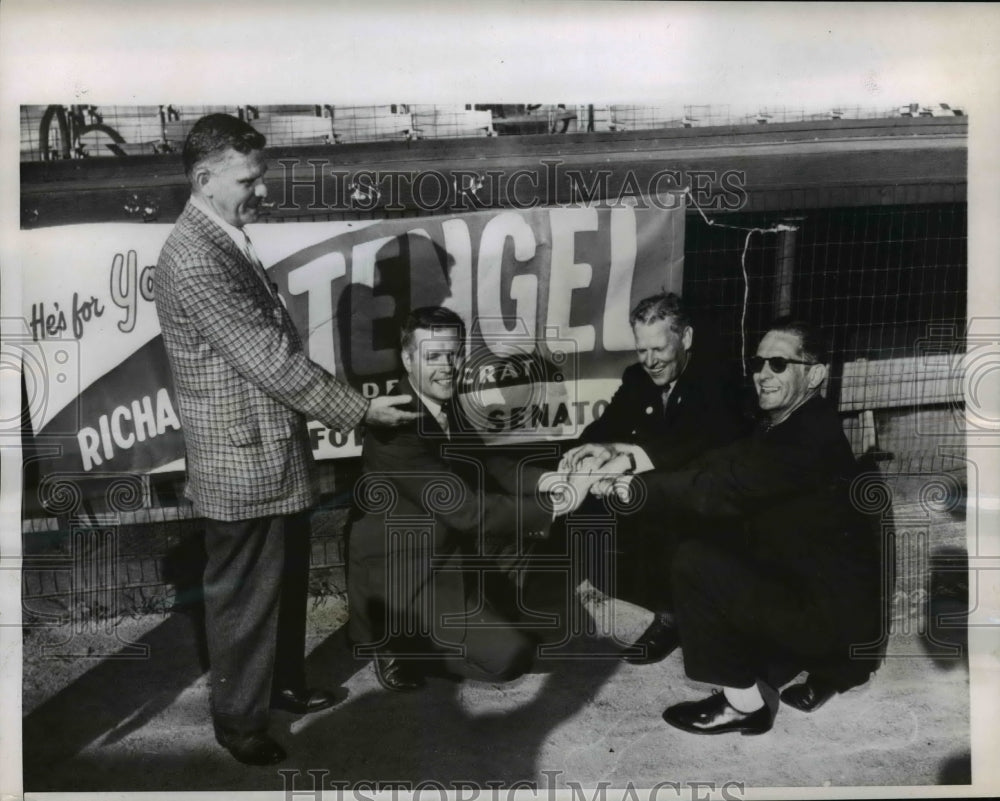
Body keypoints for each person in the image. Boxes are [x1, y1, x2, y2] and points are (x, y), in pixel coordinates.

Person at [154, 113, 416, 765]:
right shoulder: (194, 256)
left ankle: (284, 685)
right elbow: (268, 359)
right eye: (250, 179)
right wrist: (361, 411)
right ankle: (241, 721)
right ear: (204, 178)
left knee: (285, 577)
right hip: (242, 461)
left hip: (265, 450)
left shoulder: (221, 235)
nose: (262, 192)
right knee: (245, 596)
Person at [576, 318, 884, 734]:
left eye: (778, 364)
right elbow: (720, 460)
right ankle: (784, 659)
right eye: (758, 363)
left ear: (814, 374)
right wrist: (628, 463)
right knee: (699, 533)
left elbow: (720, 486)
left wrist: (634, 490)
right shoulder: (790, 418)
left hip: (825, 616)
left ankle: (744, 705)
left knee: (694, 560)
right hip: (803, 586)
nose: (762, 374)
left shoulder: (808, 439)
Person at [347, 306, 557, 691]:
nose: (448, 365)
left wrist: (550, 481)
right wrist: (553, 509)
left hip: (445, 552)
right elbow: (467, 511)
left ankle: (488, 622)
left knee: (517, 535)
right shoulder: (395, 427)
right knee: (510, 661)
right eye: (433, 356)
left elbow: (489, 463)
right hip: (403, 569)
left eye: (454, 353)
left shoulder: (445, 404)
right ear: (408, 358)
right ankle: (399, 641)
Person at [560, 292, 747, 664]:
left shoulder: (718, 378)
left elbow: (695, 443)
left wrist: (626, 457)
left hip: (713, 500)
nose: (650, 361)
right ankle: (666, 602)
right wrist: (589, 450)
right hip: (659, 492)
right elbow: (607, 424)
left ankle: (674, 617)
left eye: (659, 349)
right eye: (641, 350)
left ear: (686, 338)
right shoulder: (637, 377)